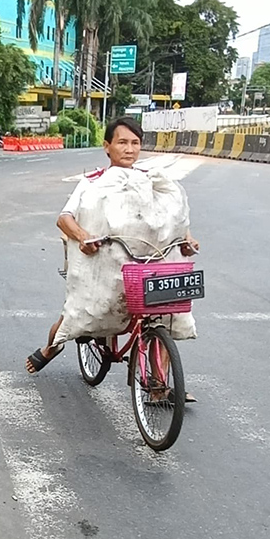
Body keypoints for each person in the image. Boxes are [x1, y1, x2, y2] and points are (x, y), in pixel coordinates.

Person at [25, 116, 200, 378]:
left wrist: (187, 238)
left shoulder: (152, 181)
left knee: (164, 315)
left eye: (135, 143)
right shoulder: (93, 182)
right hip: (104, 267)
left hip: (146, 266)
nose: (129, 149)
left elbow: (171, 220)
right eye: (122, 142)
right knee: (75, 316)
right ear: (107, 146)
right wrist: (83, 236)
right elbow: (64, 219)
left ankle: (160, 384)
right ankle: (51, 348)